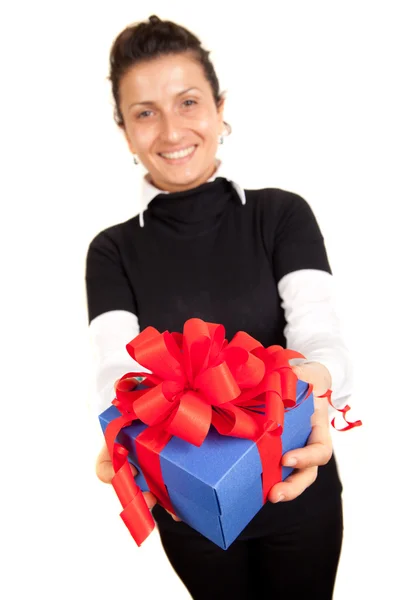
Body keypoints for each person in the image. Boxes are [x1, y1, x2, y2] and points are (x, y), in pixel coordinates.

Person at [85, 15, 353, 599]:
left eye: (187, 101)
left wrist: (316, 388)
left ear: (219, 107)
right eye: (145, 112)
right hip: (186, 503)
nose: (171, 129)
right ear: (125, 132)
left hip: (296, 483)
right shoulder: (111, 251)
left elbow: (321, 338)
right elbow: (116, 370)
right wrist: (124, 435)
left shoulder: (280, 214)